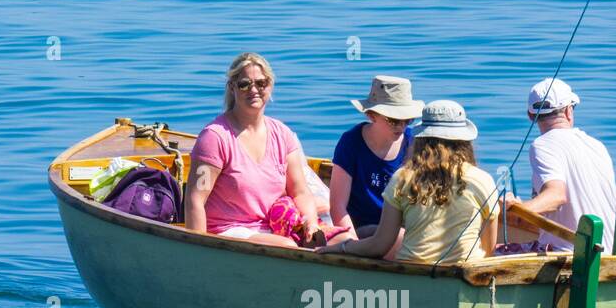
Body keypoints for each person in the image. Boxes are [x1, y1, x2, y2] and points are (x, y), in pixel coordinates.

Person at [186, 53, 347, 249]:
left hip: (276, 225)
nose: (254, 90)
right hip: (231, 229)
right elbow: (195, 199)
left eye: (261, 83)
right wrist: (198, 250)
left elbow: (300, 191)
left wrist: (311, 223)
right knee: (286, 246)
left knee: (344, 242)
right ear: (232, 87)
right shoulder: (214, 137)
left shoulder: (282, 134)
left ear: (270, 86)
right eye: (245, 84)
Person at [320, 100, 499, 265]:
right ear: (465, 141)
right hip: (465, 271)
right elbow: (488, 251)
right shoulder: (483, 180)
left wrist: (339, 248)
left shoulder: (402, 178)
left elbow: (380, 245)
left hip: (412, 270)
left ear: (421, 139)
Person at [509, 77, 616, 253]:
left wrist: (513, 210)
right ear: (568, 111)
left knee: (489, 250)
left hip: (569, 254)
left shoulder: (542, 144)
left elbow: (556, 196)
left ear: (530, 116)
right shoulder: (598, 146)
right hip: (608, 251)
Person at [330, 75, 421, 236]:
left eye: (407, 120)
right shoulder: (351, 142)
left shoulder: (412, 142)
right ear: (371, 115)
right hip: (363, 230)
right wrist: (352, 244)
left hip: (402, 228)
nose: (401, 126)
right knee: (399, 237)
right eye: (393, 120)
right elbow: (338, 207)